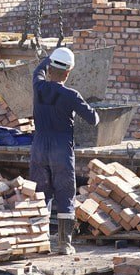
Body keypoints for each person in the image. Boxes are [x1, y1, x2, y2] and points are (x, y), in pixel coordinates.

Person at [30, 48, 99, 255]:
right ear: (68, 73)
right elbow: (93, 119)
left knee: (41, 195)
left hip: (39, 147)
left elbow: (37, 70)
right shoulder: (71, 95)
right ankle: (64, 245)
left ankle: (39, 244)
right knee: (65, 194)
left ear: (50, 68)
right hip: (61, 148)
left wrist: (47, 58)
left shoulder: (38, 86)